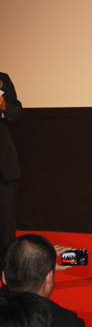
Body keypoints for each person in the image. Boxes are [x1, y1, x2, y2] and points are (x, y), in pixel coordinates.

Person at [1, 234, 84, 327]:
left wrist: (41, 267)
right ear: (49, 278)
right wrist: (45, 266)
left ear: (4, 276)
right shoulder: (68, 322)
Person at [0, 72, 22, 273]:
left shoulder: (2, 79)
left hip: (3, 166)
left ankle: (8, 273)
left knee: (6, 224)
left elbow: (17, 112)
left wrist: (4, 106)